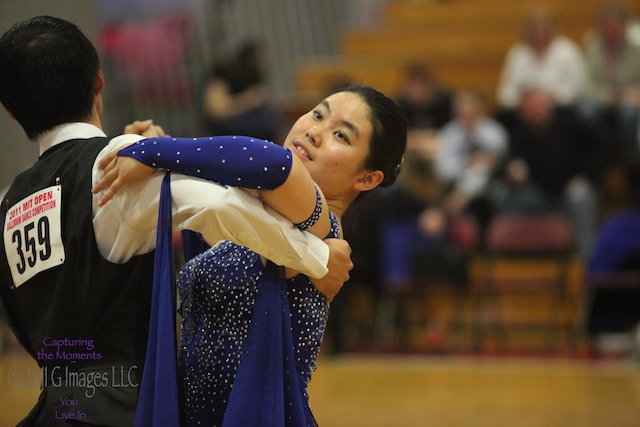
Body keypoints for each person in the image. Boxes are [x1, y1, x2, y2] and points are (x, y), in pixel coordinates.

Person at [0, 16, 351, 426]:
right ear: (99, 81)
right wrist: (316, 256)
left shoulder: (11, 201)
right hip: (128, 411)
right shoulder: (117, 159)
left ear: (9, 110)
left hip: (51, 409)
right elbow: (218, 207)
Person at [96, 83, 408, 426]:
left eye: (341, 135)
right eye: (318, 114)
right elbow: (217, 208)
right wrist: (160, 142)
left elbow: (272, 164)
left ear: (367, 179)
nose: (315, 132)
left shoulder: (322, 229)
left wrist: (152, 150)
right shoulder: (269, 227)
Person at [494, 87, 611, 258]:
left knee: (580, 196)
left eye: (539, 105)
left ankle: (588, 262)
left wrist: (587, 175)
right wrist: (512, 172)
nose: (536, 110)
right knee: (502, 194)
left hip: (571, 191)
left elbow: (605, 147)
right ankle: (520, 261)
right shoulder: (519, 133)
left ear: (549, 105)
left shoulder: (571, 123)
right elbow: (510, 163)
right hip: (539, 194)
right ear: (522, 111)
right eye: (530, 107)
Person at [579, 3, 640, 165]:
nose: (611, 30)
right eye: (607, 25)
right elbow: (587, 85)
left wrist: (631, 95)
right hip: (600, 101)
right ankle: (606, 150)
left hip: (630, 103)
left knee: (629, 113)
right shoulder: (592, 47)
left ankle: (631, 156)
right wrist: (614, 96)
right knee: (585, 112)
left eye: (616, 25)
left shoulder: (636, 51)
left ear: (625, 27)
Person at [496, 7, 586, 111]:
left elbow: (578, 87)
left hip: (560, 109)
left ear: (553, 29)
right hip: (524, 111)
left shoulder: (567, 51)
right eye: (535, 29)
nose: (539, 33)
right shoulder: (517, 53)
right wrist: (526, 100)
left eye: (544, 29)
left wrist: (548, 99)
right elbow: (505, 92)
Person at [202, 39, 283, 142]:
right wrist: (247, 100)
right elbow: (216, 110)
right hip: (230, 130)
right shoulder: (225, 73)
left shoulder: (256, 76)